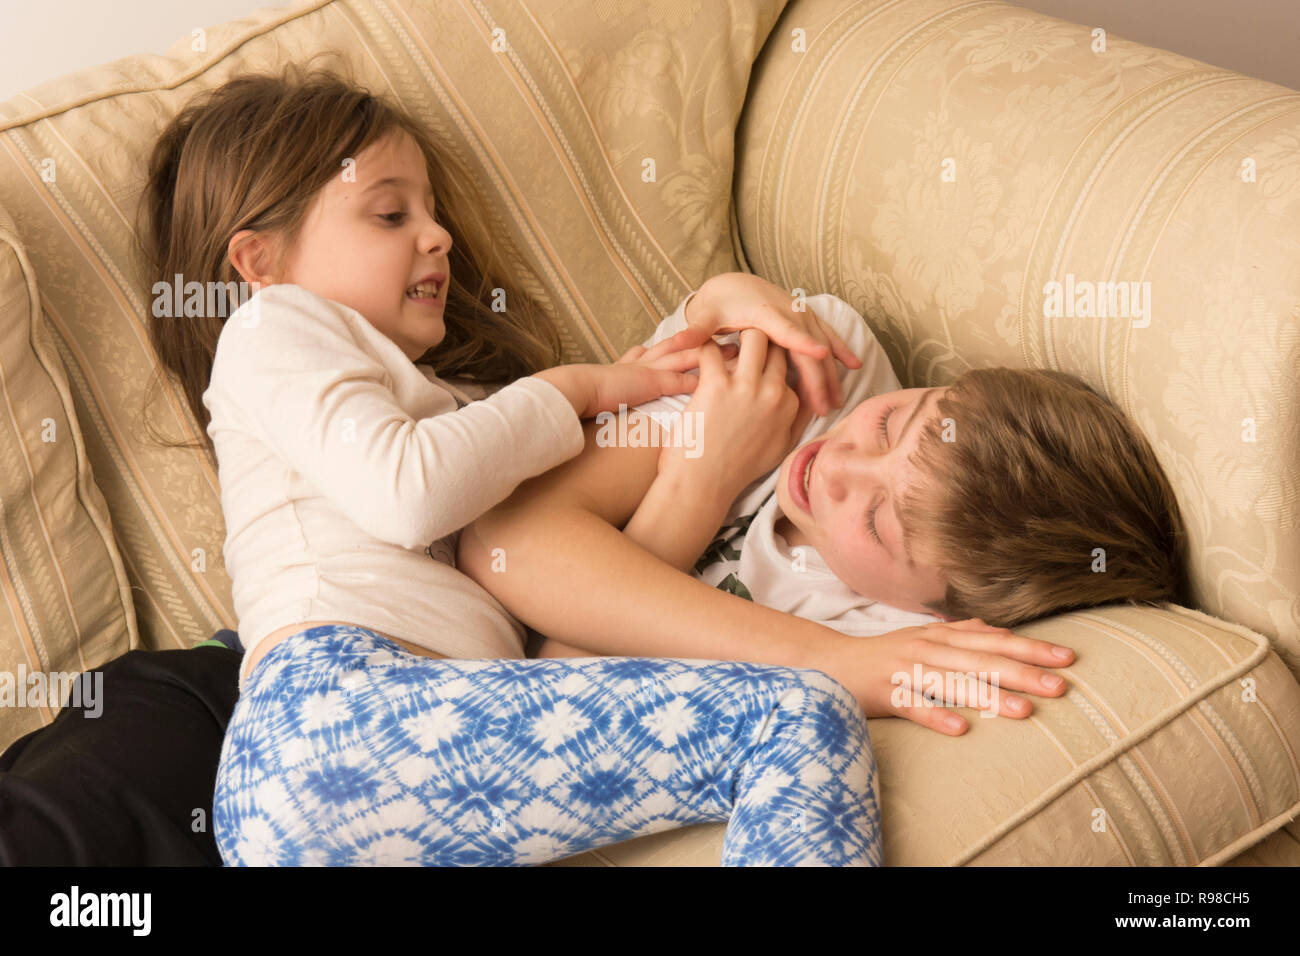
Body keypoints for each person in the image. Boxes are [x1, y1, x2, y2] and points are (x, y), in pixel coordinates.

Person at [141, 61, 1032, 868]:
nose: (439, 236)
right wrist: (568, 389)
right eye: (390, 213)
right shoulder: (272, 329)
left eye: (434, 211)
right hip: (330, 717)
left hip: (404, 757)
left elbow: (622, 459)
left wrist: (705, 308)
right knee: (798, 716)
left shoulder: (446, 408)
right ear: (260, 262)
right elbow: (408, 494)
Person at [459, 282, 1191, 740]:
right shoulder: (819, 374)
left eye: (878, 523)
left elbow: (550, 682)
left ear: (936, 616)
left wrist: (690, 482)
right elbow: (500, 534)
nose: (837, 466)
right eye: (890, 425)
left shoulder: (881, 630)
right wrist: (705, 482)